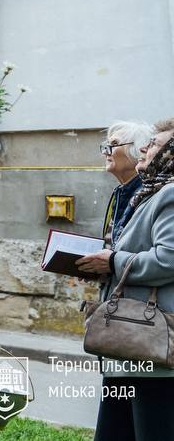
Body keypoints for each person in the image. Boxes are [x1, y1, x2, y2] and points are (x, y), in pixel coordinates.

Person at [78, 129, 174, 439]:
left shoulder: (170, 194)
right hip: (129, 349)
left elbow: (169, 258)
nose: (145, 148)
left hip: (154, 353)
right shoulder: (149, 192)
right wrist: (102, 268)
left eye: (155, 144)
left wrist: (113, 261)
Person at [101, 121, 153, 244]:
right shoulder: (122, 192)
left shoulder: (148, 195)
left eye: (114, 144)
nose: (105, 151)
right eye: (107, 145)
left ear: (140, 150)